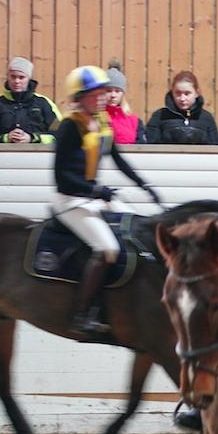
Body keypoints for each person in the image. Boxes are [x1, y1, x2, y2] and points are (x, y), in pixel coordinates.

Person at [52, 65, 161, 336]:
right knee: (108, 249)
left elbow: (118, 158)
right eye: (96, 93)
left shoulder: (102, 122)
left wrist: (143, 184)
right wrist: (98, 192)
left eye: (103, 92)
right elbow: (62, 178)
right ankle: (83, 313)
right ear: (80, 97)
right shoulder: (69, 127)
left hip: (93, 197)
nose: (102, 96)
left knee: (137, 226)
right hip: (71, 201)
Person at [0, 57, 61, 144]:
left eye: (21, 77)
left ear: (29, 79)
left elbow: (60, 134)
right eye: (13, 77)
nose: (17, 81)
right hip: (1, 155)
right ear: (8, 77)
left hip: (37, 155)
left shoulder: (44, 103)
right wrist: (5, 138)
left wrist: (33, 138)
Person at [145, 70, 218, 145]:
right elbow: (150, 147)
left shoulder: (206, 118)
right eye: (178, 93)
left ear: (197, 93)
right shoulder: (160, 116)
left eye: (187, 93)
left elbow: (215, 149)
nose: (182, 98)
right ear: (172, 93)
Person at [104, 60, 144, 144]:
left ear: (123, 93)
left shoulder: (135, 121)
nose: (113, 95)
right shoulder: (95, 118)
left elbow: (141, 148)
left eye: (117, 91)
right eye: (108, 90)